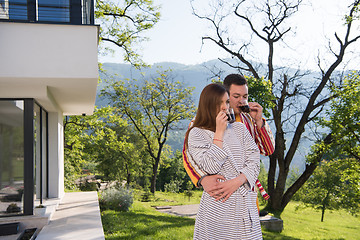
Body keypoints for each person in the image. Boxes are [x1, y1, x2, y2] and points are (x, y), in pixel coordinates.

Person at [183, 74, 274, 208]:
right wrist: (202, 178)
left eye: (245, 97)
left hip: (247, 190)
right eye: (236, 97)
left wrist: (259, 121)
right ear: (224, 95)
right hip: (221, 192)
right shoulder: (203, 123)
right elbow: (188, 155)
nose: (242, 101)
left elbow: (268, 150)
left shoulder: (249, 119)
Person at [185, 83, 262, 239]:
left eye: (226, 102)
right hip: (219, 207)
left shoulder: (239, 129)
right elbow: (210, 167)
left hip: (245, 206)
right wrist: (219, 133)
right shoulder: (196, 133)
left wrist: (238, 181)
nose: (224, 107)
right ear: (207, 105)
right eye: (218, 103)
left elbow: (255, 160)